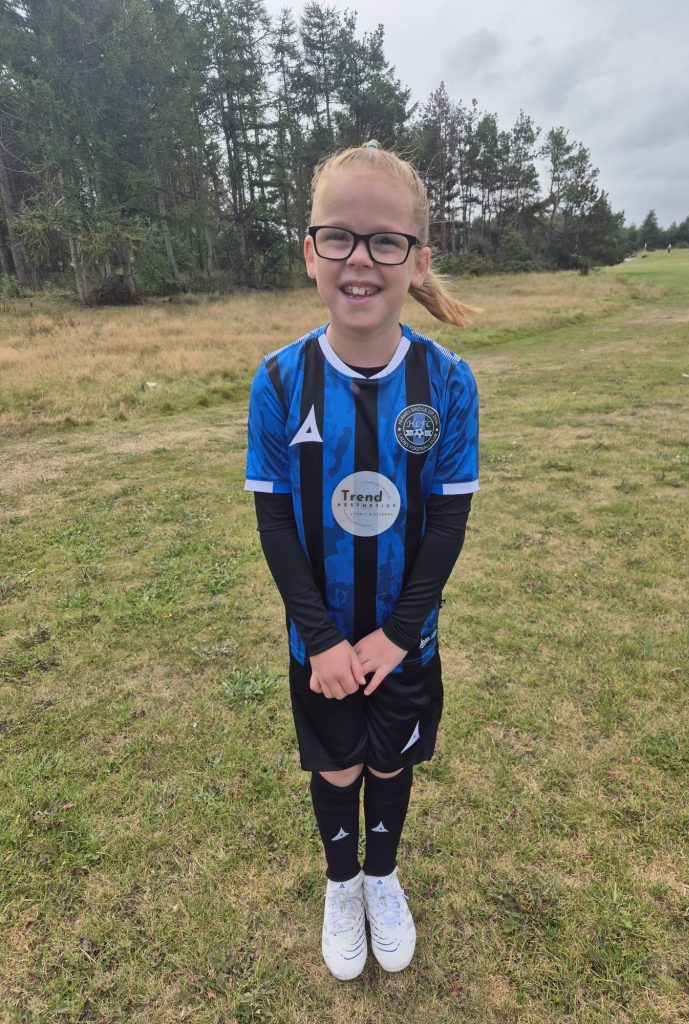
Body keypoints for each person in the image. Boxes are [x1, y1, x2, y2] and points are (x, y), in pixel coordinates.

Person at [245, 141, 480, 980]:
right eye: (338, 236)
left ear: (417, 262)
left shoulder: (448, 383)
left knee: (389, 760)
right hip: (322, 644)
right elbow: (276, 523)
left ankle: (382, 875)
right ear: (310, 252)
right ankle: (342, 883)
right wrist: (322, 640)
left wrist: (397, 634)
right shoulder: (279, 380)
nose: (360, 259)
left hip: (403, 639)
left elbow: (446, 525)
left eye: (386, 240)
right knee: (337, 764)